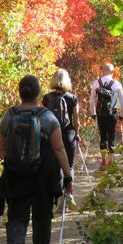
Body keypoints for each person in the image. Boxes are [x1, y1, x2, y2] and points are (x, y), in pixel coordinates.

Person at [0, 75, 73, 244]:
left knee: (17, 214)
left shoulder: (10, 115)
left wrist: (12, 162)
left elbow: (1, 148)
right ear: (38, 94)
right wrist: (67, 174)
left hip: (16, 173)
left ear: (20, 92)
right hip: (43, 174)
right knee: (42, 213)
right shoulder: (46, 116)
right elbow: (59, 149)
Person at [43, 68, 80, 208]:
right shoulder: (72, 98)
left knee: (55, 164)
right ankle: (69, 194)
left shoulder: (46, 98)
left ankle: (57, 197)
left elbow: (44, 118)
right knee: (68, 165)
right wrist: (77, 134)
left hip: (52, 134)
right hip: (68, 134)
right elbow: (76, 121)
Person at [89, 63, 123, 170]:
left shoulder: (96, 83)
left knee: (103, 137)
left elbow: (91, 101)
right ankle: (111, 163)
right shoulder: (117, 84)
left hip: (100, 114)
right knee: (111, 137)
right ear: (112, 72)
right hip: (112, 113)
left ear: (103, 70)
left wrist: (93, 114)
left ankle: (103, 162)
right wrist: (122, 116)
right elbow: (122, 102)